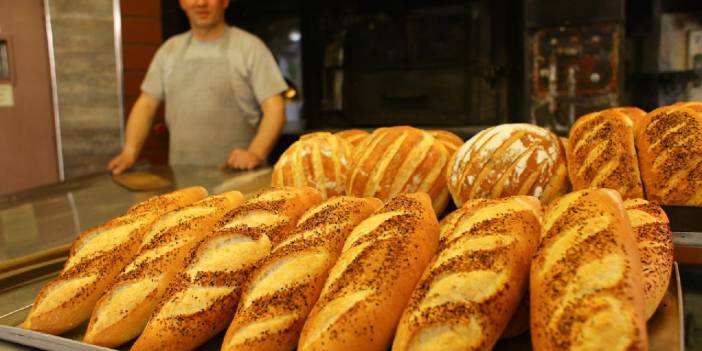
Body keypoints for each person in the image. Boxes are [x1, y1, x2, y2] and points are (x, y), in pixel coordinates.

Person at [108, 0, 287, 174]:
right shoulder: (169, 50)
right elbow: (146, 104)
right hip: (182, 178)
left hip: (241, 178)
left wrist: (255, 153)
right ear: (182, 3)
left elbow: (275, 108)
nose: (201, 3)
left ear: (225, 1)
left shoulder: (250, 47)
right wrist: (129, 152)